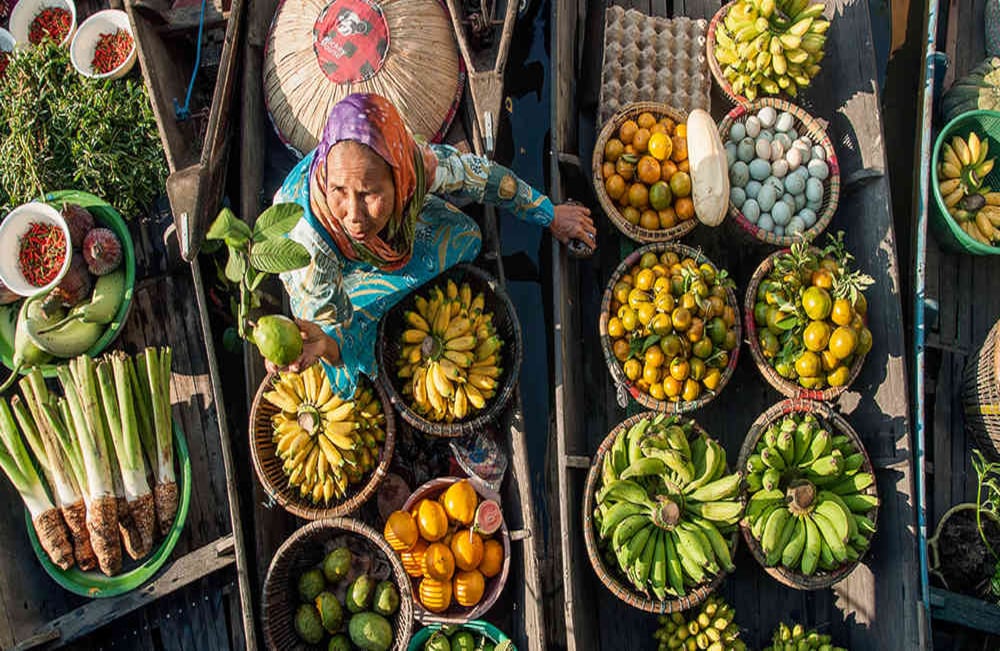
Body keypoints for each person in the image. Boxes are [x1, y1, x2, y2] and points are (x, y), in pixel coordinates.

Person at [273, 92, 595, 397]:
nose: (353, 215)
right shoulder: (308, 246)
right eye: (338, 190)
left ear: (399, 177)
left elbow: (479, 176)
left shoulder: (413, 164)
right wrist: (325, 345)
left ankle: (386, 276)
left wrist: (549, 213)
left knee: (466, 237)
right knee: (357, 374)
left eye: (369, 193)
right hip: (326, 278)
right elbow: (329, 331)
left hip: (382, 243)